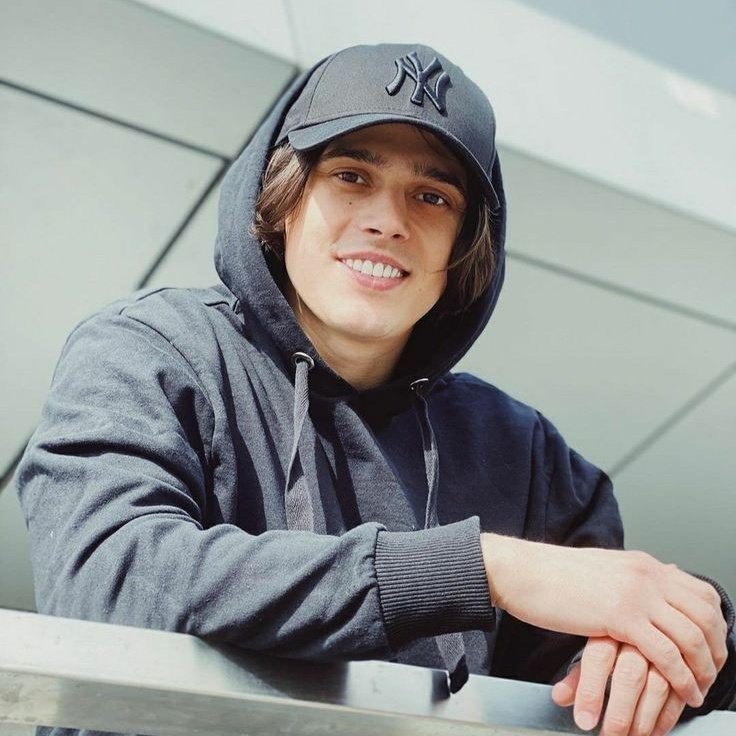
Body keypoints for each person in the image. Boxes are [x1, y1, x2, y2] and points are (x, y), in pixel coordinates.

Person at [16, 43, 735, 736]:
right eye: (351, 176)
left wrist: (681, 636)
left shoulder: (520, 450)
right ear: (282, 196)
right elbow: (110, 582)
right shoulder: (151, 351)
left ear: (465, 245)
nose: (389, 222)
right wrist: (480, 569)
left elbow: (594, 663)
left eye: (432, 196)